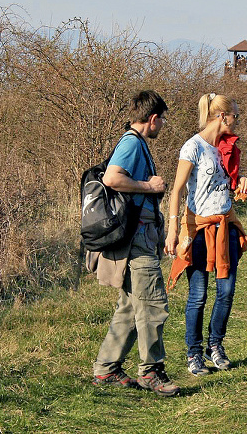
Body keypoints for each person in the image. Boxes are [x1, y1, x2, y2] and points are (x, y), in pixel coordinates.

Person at [88, 90, 179, 397]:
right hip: (136, 239)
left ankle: (107, 369)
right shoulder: (131, 142)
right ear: (152, 118)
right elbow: (112, 178)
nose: (163, 125)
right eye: (162, 119)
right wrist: (148, 186)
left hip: (139, 235)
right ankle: (152, 372)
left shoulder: (135, 142)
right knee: (153, 305)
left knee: (129, 307)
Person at [165, 93, 247, 376]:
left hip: (225, 226)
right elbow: (177, 191)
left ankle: (215, 346)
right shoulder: (193, 147)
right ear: (221, 116)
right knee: (199, 295)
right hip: (199, 229)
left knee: (226, 292)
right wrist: (173, 230)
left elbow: (226, 181)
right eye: (235, 116)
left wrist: (240, 181)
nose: (237, 121)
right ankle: (194, 354)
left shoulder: (227, 148)